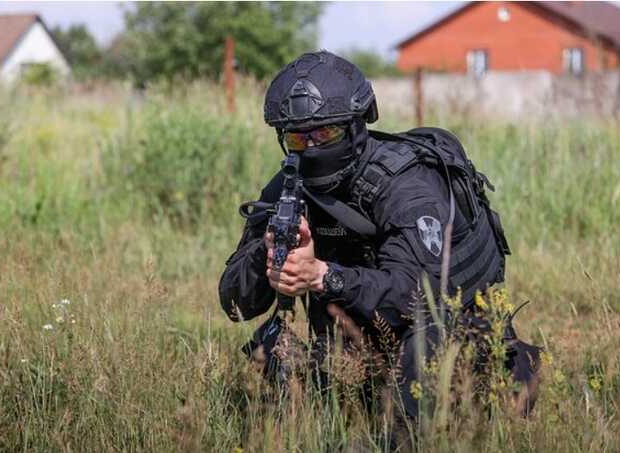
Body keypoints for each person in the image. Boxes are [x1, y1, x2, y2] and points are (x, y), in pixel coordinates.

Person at [218, 51, 538, 425]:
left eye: (325, 132)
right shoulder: (290, 188)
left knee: (426, 348)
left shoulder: (407, 187)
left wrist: (322, 275)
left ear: (356, 125)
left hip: (445, 332)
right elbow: (235, 305)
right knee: (274, 347)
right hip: (361, 338)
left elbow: (418, 298)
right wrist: (270, 256)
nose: (313, 146)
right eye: (298, 138)